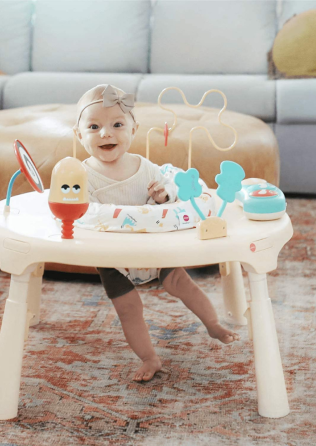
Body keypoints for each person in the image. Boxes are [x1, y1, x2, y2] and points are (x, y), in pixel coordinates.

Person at [74, 84, 239, 382]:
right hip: (113, 259)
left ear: (134, 129)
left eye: (117, 125)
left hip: (156, 248)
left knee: (182, 284)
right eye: (94, 126)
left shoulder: (145, 168)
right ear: (79, 135)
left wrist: (163, 196)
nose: (105, 133)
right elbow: (86, 213)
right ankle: (149, 357)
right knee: (129, 308)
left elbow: (168, 196)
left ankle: (212, 323)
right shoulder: (82, 175)